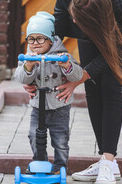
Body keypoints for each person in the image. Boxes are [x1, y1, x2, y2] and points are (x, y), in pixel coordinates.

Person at [23, 0, 122, 184]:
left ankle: (109, 163)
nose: (73, 23)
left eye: (78, 21)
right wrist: (34, 73)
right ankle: (104, 159)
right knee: (92, 87)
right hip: (90, 11)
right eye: (73, 18)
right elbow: (52, 41)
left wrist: (79, 77)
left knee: (110, 87)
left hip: (118, 26)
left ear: (93, 22)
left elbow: (116, 53)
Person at [14, 11, 83, 173]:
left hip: (60, 107)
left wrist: (66, 66)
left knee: (60, 140)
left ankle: (60, 167)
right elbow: (20, 78)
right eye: (31, 39)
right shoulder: (27, 57)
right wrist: (28, 66)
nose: (35, 43)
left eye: (40, 38)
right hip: (38, 106)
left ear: (50, 39)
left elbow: (78, 75)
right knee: (33, 135)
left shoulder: (63, 56)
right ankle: (39, 163)